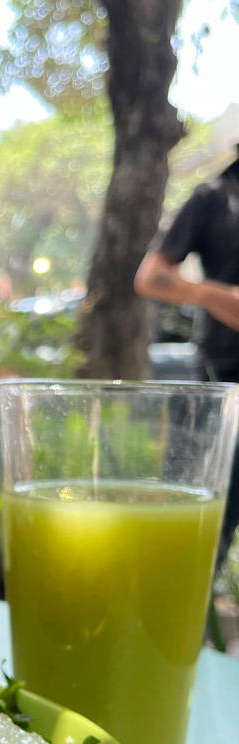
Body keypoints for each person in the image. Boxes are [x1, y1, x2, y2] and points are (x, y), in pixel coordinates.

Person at [134, 145, 239, 566]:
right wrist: (214, 294)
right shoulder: (214, 197)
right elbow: (150, 277)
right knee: (202, 538)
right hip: (225, 383)